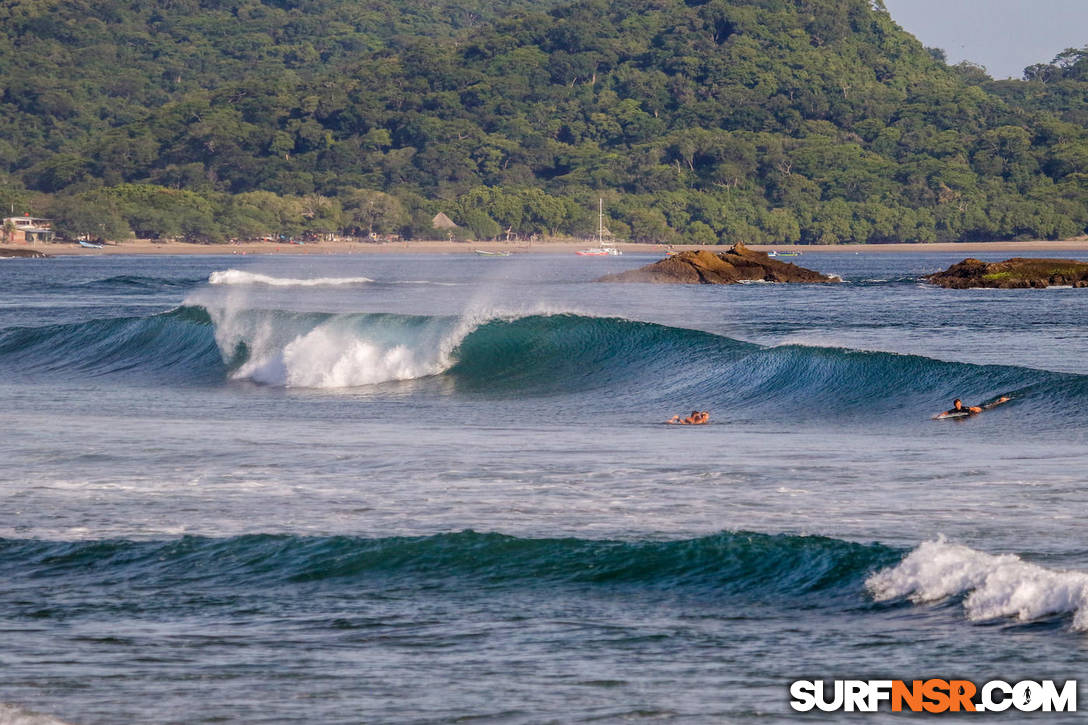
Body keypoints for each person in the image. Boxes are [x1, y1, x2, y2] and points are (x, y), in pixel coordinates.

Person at [936, 396, 1010, 418]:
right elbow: (946, 412)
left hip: (980, 409)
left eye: (959, 404)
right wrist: (938, 416)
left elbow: (973, 408)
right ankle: (1000, 400)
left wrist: (977, 411)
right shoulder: (954, 410)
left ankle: (1002, 400)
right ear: (954, 405)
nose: (958, 405)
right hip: (975, 411)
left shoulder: (964, 408)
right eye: (957, 404)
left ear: (961, 404)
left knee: (992, 405)